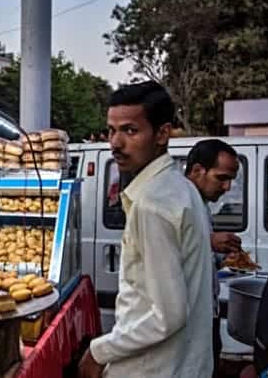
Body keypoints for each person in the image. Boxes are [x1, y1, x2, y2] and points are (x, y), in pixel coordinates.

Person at [78, 81, 214, 378]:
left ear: (162, 134)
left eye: (130, 130)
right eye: (111, 131)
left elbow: (168, 315)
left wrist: (98, 351)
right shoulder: (180, 187)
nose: (115, 143)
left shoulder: (152, 204)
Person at [184, 139, 242, 377]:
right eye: (221, 178)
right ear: (198, 170)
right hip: (188, 323)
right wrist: (207, 242)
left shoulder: (201, 204)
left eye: (230, 180)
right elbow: (161, 253)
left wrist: (221, 256)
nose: (227, 187)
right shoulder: (174, 203)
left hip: (208, 314)